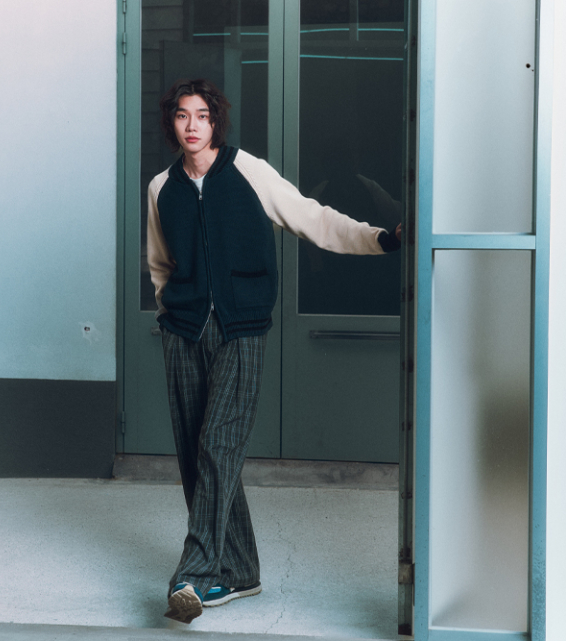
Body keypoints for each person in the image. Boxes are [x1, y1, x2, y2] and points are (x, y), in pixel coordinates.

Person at [147, 78, 401, 624]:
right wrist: (172, 312)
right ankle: (240, 572)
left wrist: (381, 238)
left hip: (240, 329)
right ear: (171, 123)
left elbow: (314, 219)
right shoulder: (161, 187)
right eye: (182, 115)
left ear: (216, 122)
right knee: (197, 454)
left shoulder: (249, 172)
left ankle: (193, 575)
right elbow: (160, 262)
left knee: (219, 444)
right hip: (184, 332)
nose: (192, 125)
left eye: (202, 115)